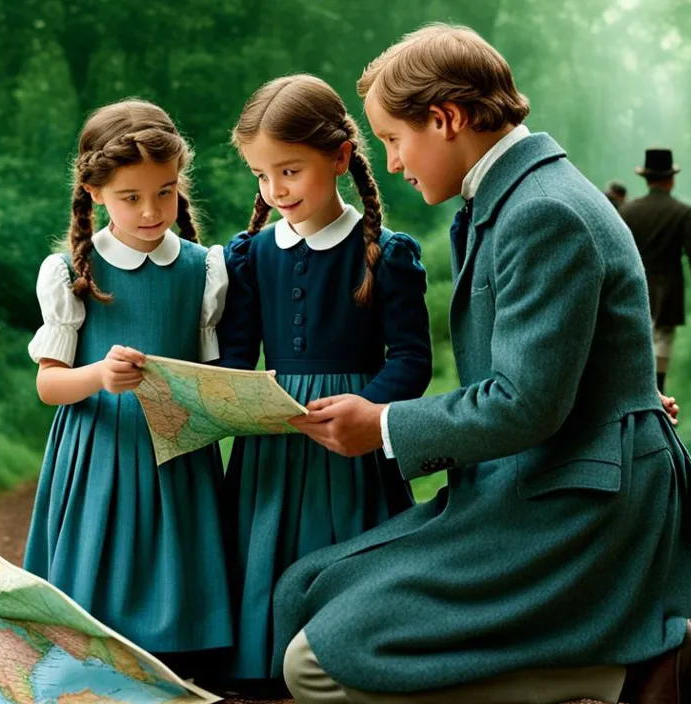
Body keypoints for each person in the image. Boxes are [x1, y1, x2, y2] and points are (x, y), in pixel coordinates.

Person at [278, 24, 691, 704]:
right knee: (304, 589)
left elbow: (526, 402)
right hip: (534, 475)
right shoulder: (513, 198)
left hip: (575, 501)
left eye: (394, 139)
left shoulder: (542, 212)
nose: (390, 162)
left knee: (318, 666)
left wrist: (385, 425)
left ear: (445, 119)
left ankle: (628, 674)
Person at [216, 74, 433, 694]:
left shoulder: (386, 254)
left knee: (351, 552)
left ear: (339, 157)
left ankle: (355, 666)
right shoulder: (250, 256)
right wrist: (223, 398)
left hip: (353, 442)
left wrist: (366, 407)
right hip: (274, 442)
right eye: (261, 176)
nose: (274, 190)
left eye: (289, 171)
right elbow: (236, 358)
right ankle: (260, 667)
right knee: (265, 547)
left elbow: (412, 360)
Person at [22, 99, 232, 676]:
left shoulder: (204, 269)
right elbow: (50, 387)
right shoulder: (72, 274)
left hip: (178, 456)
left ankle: (179, 659)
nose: (151, 210)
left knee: (176, 561)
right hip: (100, 455)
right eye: (131, 197)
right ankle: (89, 659)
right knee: (98, 577)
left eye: (164, 192)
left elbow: (212, 374)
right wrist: (97, 376)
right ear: (95, 193)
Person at [619, 148, 691, 393]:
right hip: (669, 285)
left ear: (647, 180)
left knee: (639, 333)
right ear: (670, 180)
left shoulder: (628, 211)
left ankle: (638, 387)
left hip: (636, 283)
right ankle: (659, 386)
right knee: (663, 336)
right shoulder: (682, 212)